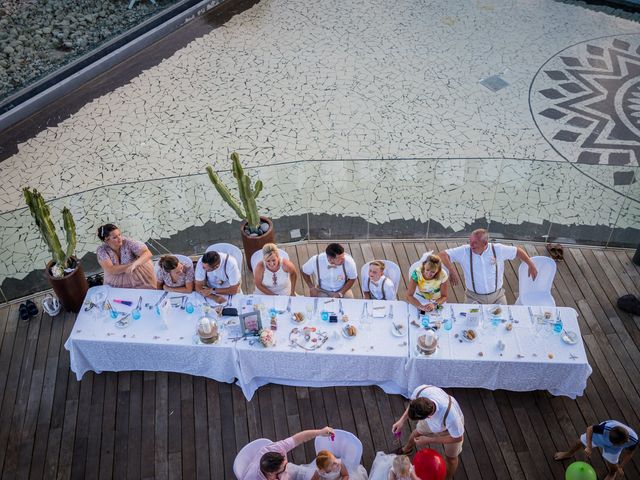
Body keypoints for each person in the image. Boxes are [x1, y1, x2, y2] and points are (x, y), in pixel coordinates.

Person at [439, 229, 538, 305]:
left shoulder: (498, 249)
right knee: (469, 326)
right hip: (473, 297)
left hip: (497, 297)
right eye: (470, 242)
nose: (471, 245)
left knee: (503, 323)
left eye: (475, 243)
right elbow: (442, 254)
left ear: (485, 243)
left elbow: (517, 251)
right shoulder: (465, 251)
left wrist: (531, 264)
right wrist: (452, 270)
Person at [392, 385, 464, 480]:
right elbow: (411, 405)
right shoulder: (420, 391)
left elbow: (458, 437)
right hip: (431, 423)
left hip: (448, 432)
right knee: (415, 433)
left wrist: (429, 440)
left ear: (428, 417)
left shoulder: (452, 418)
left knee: (451, 459)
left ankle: (447, 477)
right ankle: (406, 449)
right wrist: (401, 421)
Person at [554, 420, 638, 480]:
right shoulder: (605, 428)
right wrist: (589, 446)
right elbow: (590, 429)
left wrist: (620, 467)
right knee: (579, 442)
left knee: (613, 465)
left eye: (622, 443)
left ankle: (612, 473)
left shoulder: (633, 440)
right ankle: (568, 453)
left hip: (614, 448)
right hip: (600, 437)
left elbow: (629, 453)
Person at [241, 427, 334, 480]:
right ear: (271, 473)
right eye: (284, 467)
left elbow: (298, 438)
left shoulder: (276, 448)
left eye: (285, 462)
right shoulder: (252, 478)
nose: (287, 465)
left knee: (312, 474)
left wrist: (320, 432)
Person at [96, 224, 156, 289]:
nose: (120, 238)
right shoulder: (102, 250)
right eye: (115, 237)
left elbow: (147, 253)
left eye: (119, 234)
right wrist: (130, 266)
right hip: (115, 277)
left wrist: (135, 264)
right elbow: (111, 269)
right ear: (106, 240)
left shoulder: (128, 242)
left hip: (136, 274)